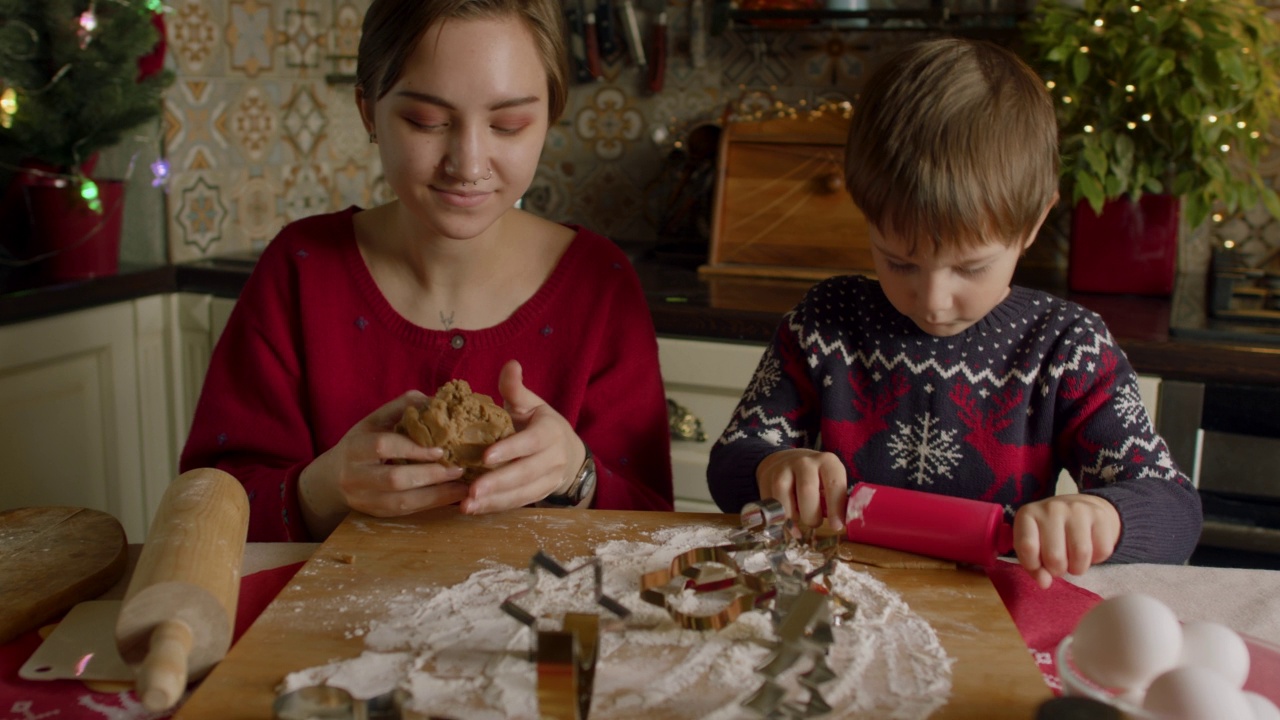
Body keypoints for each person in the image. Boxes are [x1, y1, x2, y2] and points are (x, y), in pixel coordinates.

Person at [706, 38, 1202, 588]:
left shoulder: (1066, 346)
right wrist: (771, 467)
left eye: (970, 268)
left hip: (993, 612)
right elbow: (732, 460)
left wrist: (1104, 516)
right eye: (899, 262)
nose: (933, 299)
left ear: (1033, 224)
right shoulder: (826, 322)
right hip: (841, 598)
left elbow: (1174, 509)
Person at [180, 0, 673, 542]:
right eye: (427, 121)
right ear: (369, 112)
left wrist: (577, 474)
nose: (468, 164)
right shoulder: (300, 269)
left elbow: (655, 528)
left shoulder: (598, 283)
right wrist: (322, 487)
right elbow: (207, 511)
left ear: (550, 115)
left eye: (508, 125)